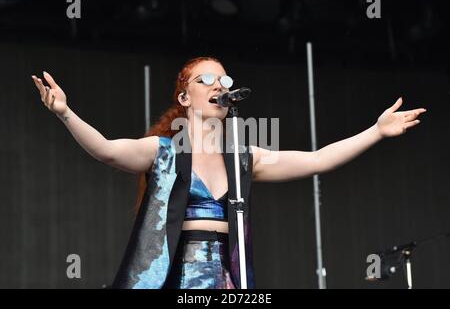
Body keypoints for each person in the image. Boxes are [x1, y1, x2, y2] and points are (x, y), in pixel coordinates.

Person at [31, 56, 426, 289]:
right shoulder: (163, 152)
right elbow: (106, 150)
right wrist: (65, 112)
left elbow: (318, 159)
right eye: (205, 79)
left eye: (223, 79)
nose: (217, 84)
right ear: (185, 98)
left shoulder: (243, 158)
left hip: (226, 275)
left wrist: (376, 131)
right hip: (175, 275)